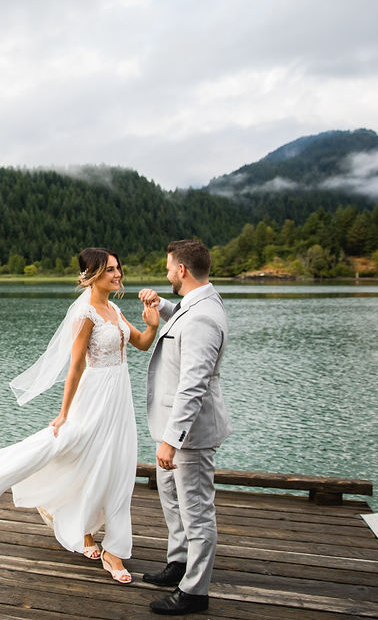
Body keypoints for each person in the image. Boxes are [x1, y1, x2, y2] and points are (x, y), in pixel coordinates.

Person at [0, 248, 159, 583]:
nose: (118, 274)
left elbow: (139, 343)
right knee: (71, 453)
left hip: (119, 400)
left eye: (118, 268)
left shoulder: (113, 308)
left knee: (119, 466)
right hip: (92, 397)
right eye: (110, 270)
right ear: (91, 275)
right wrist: (64, 412)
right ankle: (77, 527)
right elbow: (76, 366)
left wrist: (152, 324)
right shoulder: (85, 313)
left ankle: (111, 548)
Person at [139, 239, 232, 615]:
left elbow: (194, 384)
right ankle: (178, 563)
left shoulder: (204, 318)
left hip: (189, 436)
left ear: (182, 271)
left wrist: (172, 441)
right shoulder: (197, 304)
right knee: (172, 500)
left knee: (196, 509)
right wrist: (160, 305)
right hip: (174, 431)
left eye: (168, 268)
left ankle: (195, 591)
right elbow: (180, 314)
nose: (165, 273)